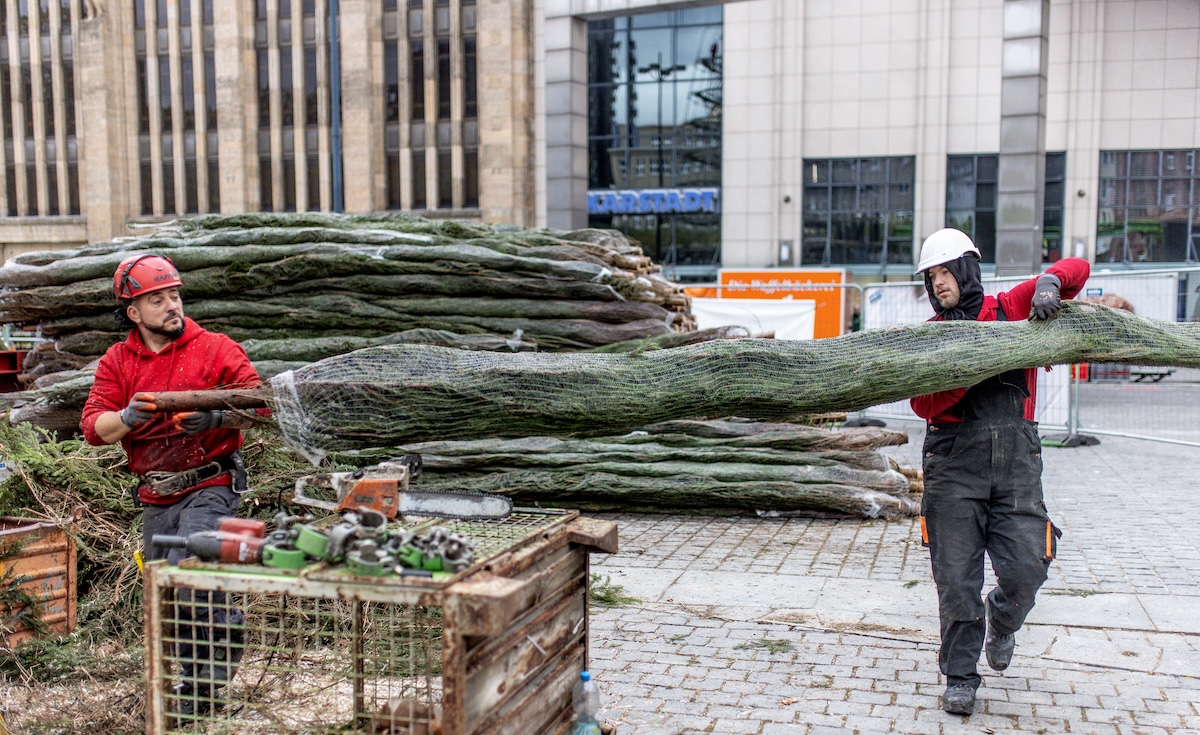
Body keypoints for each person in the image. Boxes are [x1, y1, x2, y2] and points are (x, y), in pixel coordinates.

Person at [909, 229, 1090, 716]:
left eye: (946, 272)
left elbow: (1079, 269)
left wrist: (1050, 283)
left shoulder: (1011, 309)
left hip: (1016, 465)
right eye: (931, 277)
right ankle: (961, 676)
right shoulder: (932, 334)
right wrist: (968, 367)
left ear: (968, 270)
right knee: (956, 580)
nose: (939, 284)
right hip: (952, 466)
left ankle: (1004, 619)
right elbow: (922, 403)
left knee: (1030, 564)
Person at [80, 254, 265, 717]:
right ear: (133, 313)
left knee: (193, 580)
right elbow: (92, 427)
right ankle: (188, 684)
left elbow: (261, 405)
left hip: (212, 482)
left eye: (175, 295)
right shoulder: (118, 362)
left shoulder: (215, 348)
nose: (171, 305)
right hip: (157, 491)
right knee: (164, 594)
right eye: (157, 299)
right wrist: (125, 418)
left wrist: (217, 415)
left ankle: (208, 690)